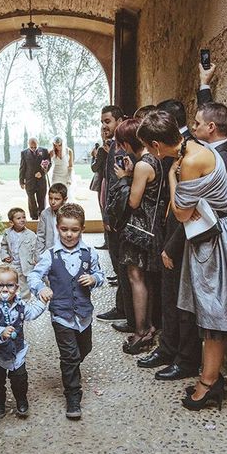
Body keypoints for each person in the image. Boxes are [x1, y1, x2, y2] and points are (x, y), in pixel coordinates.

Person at [137, 111, 227, 411]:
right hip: (207, 238)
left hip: (212, 243)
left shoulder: (186, 162)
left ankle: (209, 383)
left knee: (214, 315)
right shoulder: (194, 147)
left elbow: (181, 213)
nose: (152, 154)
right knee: (210, 312)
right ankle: (210, 374)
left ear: (156, 144)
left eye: (150, 149)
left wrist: (174, 177)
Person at [137, 99, 201, 381]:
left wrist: (171, 244)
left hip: (185, 235)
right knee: (170, 295)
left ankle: (185, 359)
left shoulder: (187, 159)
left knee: (183, 301)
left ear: (156, 144)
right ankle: (168, 348)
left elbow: (186, 210)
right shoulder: (179, 153)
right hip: (173, 230)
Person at [28, 203, 105, 420]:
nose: (69, 234)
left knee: (84, 348)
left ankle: (70, 366)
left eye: (74, 230)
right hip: (61, 315)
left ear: (82, 229)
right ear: (57, 227)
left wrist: (94, 279)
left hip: (84, 315)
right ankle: (73, 396)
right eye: (64, 229)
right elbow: (34, 276)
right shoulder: (50, 255)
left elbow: (101, 275)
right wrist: (41, 287)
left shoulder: (90, 253)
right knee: (70, 356)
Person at [113, 118, 163, 354]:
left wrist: (125, 178)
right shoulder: (155, 158)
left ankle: (141, 331)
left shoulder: (143, 164)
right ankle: (150, 326)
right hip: (152, 227)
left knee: (136, 278)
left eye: (122, 143)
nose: (121, 148)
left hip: (139, 228)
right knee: (146, 279)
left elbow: (133, 201)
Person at [0, 265, 46, 419]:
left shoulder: (20, 305)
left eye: (10, 285)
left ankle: (21, 399)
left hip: (17, 351)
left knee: (20, 378)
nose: (5, 289)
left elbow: (31, 313)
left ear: (17, 287)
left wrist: (43, 302)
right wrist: (0, 332)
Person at [95, 105, 130, 324]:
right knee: (119, 265)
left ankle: (124, 310)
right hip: (112, 213)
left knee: (122, 264)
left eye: (107, 121)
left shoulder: (121, 149)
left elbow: (119, 186)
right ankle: (122, 306)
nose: (104, 126)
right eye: (102, 122)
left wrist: (111, 216)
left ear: (119, 121)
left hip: (119, 216)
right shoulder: (112, 146)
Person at [0, 207, 37, 299]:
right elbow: (4, 245)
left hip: (25, 265)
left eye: (24, 217)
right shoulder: (7, 233)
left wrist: (35, 262)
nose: (22, 220)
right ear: (11, 222)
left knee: (24, 286)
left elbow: (35, 249)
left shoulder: (31, 235)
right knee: (11, 283)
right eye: (19, 218)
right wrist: (5, 256)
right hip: (12, 264)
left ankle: (24, 302)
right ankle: (11, 299)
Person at [19, 137, 50, 220]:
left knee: (41, 200)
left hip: (41, 181)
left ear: (38, 144)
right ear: (28, 145)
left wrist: (42, 173)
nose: (33, 149)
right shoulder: (24, 153)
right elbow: (22, 167)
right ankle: (34, 218)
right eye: (31, 147)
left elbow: (48, 164)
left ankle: (42, 217)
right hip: (29, 181)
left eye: (35, 147)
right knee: (31, 200)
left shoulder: (44, 151)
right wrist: (21, 181)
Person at [36, 182, 68, 255]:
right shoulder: (44, 214)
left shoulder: (71, 214)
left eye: (57, 199)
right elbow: (40, 237)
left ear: (65, 199)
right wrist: (38, 256)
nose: (52, 202)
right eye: (50, 198)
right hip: (50, 253)